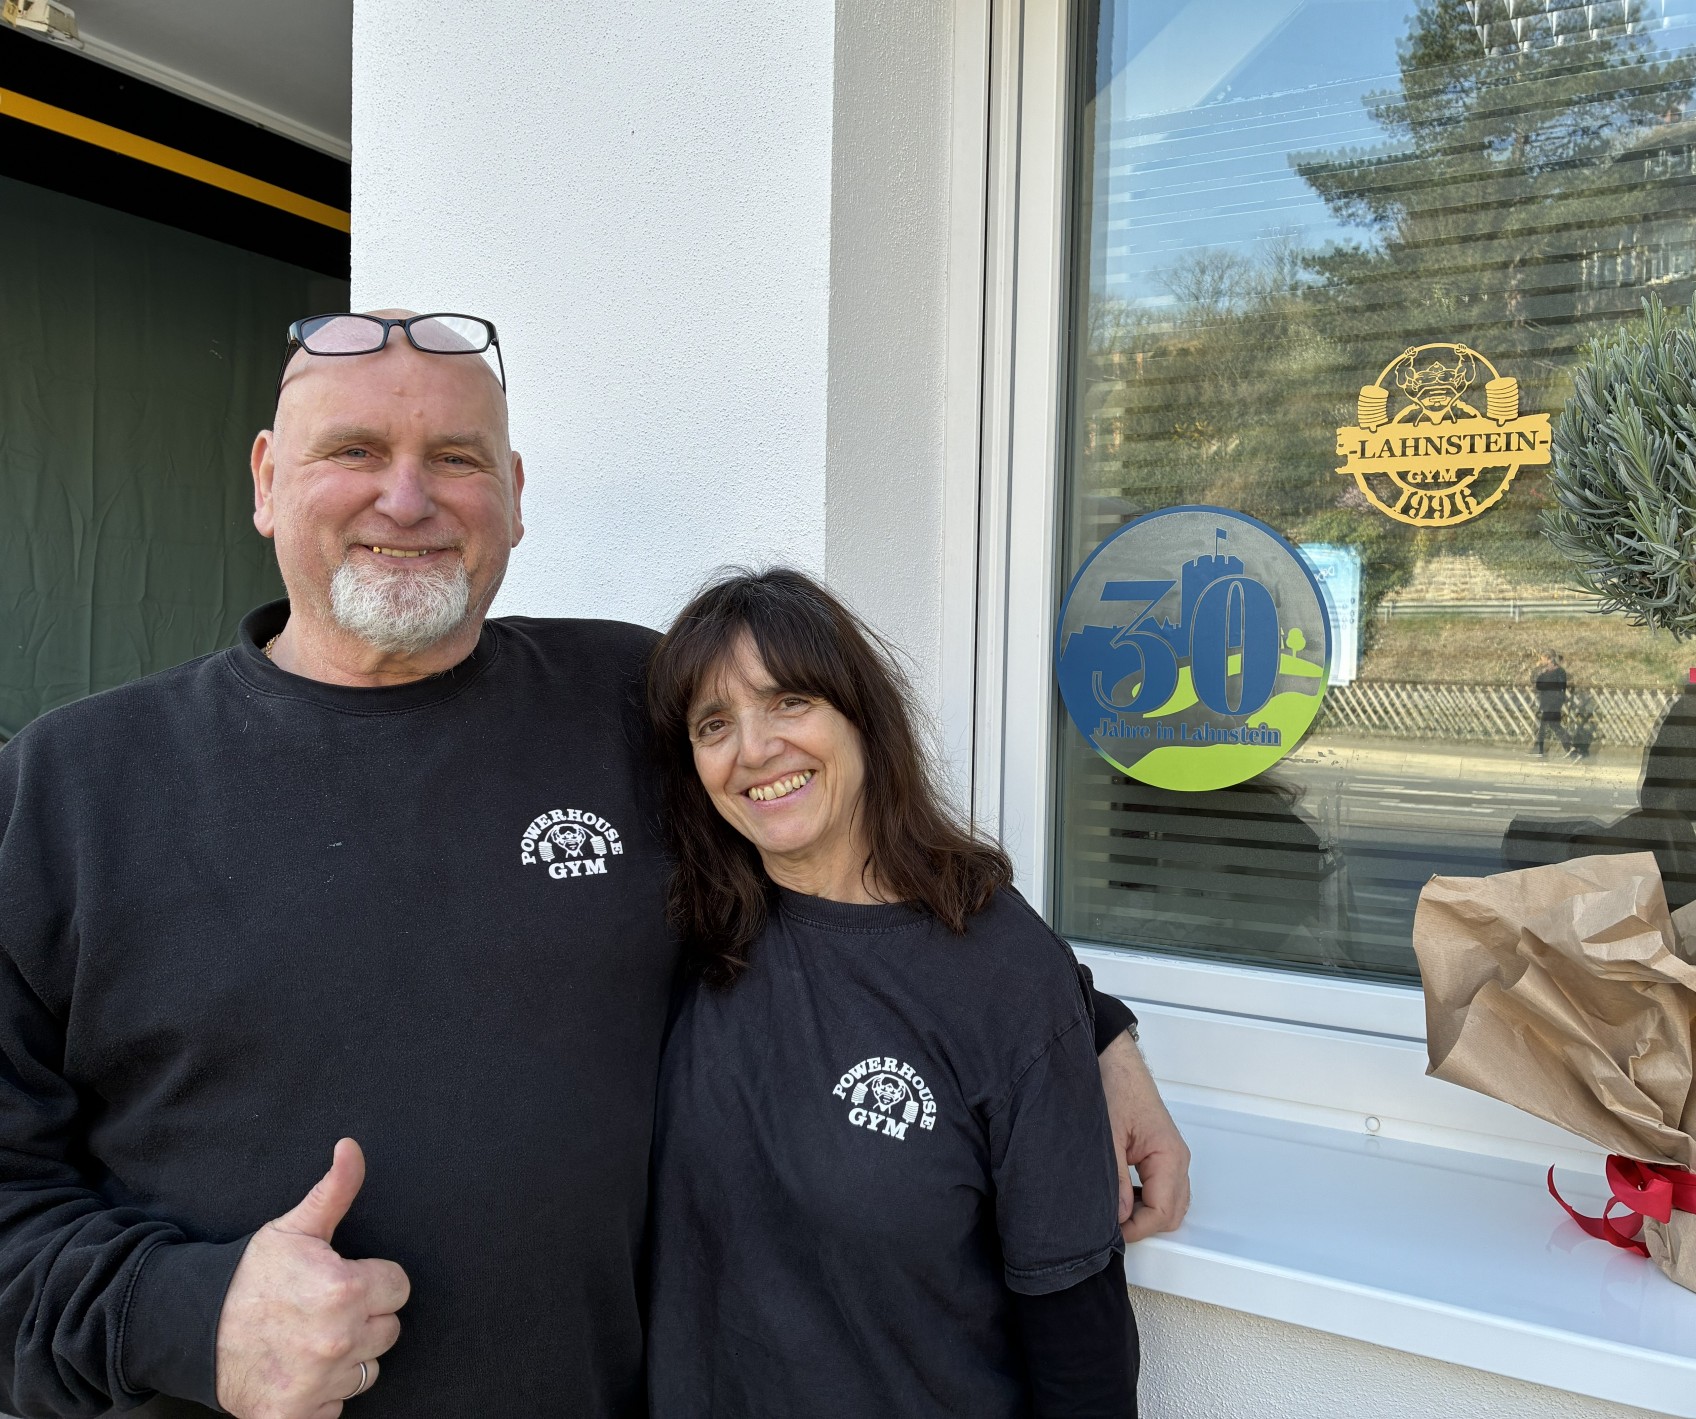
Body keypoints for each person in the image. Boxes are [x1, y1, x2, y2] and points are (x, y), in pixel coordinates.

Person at [0, 311, 1189, 1419]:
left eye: (457, 458)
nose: (406, 497)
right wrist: (187, 1319)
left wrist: (1087, 1026)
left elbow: (859, 844)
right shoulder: (68, 790)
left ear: (514, 499)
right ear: (266, 481)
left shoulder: (631, 705)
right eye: (354, 450)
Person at [644, 570, 1138, 1418]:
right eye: (714, 723)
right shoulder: (683, 932)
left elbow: (1080, 1345)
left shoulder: (1003, 972)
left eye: (790, 701)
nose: (754, 749)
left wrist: (1103, 1033)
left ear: (862, 717)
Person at [1531, 649, 1572, 757]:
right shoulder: (1547, 672)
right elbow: (1536, 683)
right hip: (1549, 702)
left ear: (1549, 659)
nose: (1541, 661)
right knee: (1554, 726)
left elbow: (1560, 687)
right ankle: (1570, 748)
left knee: (1545, 726)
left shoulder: (1558, 672)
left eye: (1542, 659)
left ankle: (1539, 750)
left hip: (1553, 702)